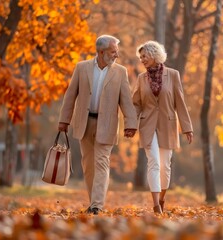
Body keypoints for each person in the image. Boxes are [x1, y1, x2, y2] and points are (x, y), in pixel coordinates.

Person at [58, 35, 138, 215]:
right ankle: (93, 201)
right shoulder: (82, 68)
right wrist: (64, 120)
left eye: (116, 51)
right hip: (84, 123)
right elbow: (70, 96)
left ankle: (96, 206)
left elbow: (126, 99)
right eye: (113, 51)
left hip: (107, 125)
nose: (116, 55)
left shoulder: (120, 72)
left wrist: (130, 123)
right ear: (101, 52)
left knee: (102, 163)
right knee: (88, 165)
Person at [133, 40, 193, 214]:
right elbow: (135, 103)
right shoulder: (141, 78)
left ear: (153, 55)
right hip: (147, 124)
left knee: (165, 165)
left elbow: (180, 102)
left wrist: (187, 127)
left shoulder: (173, 75)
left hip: (168, 124)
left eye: (144, 56)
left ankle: (162, 197)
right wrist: (131, 125)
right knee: (153, 162)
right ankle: (155, 205)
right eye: (141, 57)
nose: (142, 59)